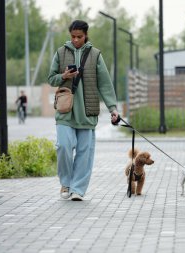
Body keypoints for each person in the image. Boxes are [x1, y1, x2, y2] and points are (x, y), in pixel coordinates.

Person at [48, 20, 119, 201]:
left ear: (86, 35)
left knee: (84, 152)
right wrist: (64, 76)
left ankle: (78, 189)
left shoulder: (95, 55)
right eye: (73, 36)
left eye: (79, 37)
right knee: (63, 146)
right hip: (65, 111)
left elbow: (104, 83)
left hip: (87, 111)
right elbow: (51, 78)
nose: (76, 40)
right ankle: (66, 183)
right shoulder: (60, 52)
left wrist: (112, 108)